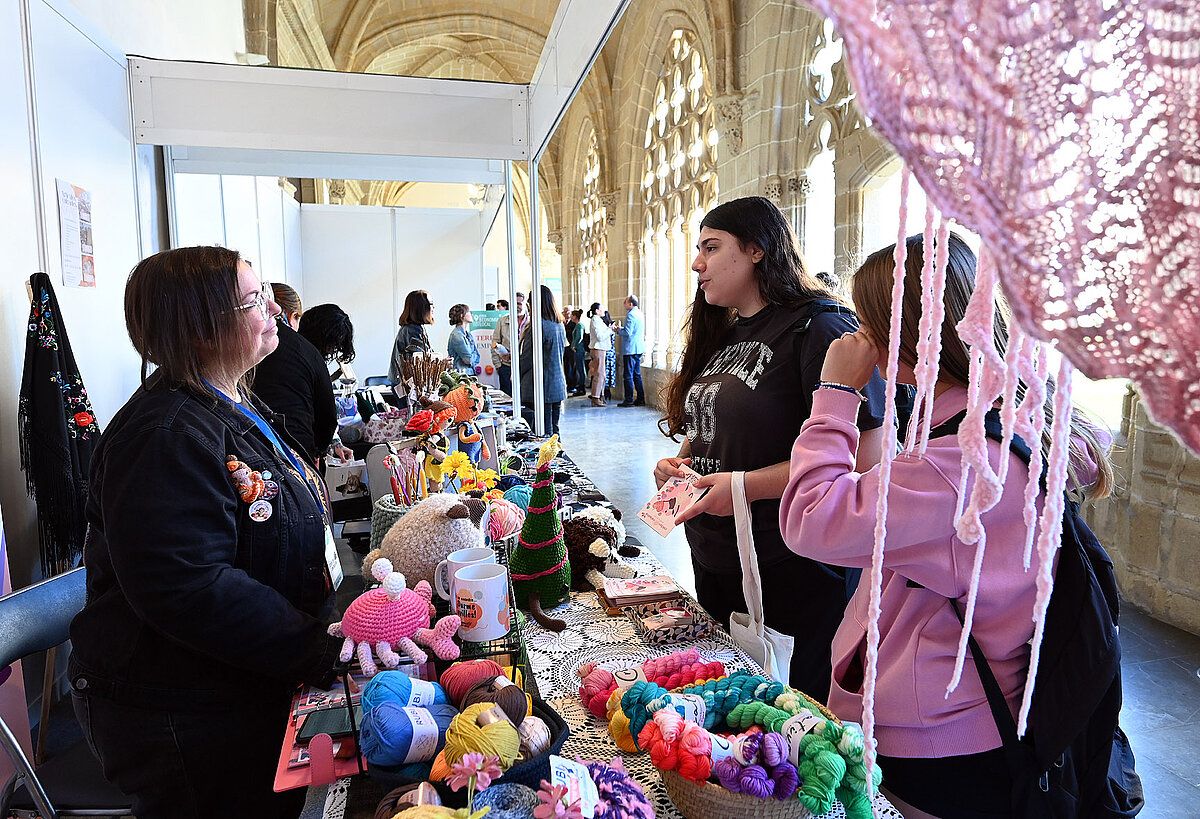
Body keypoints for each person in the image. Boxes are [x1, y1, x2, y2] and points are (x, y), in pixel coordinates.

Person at [778, 232, 1113, 818]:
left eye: (868, 322)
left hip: (942, 730)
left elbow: (811, 519)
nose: (859, 338)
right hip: (986, 696)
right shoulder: (1011, 404)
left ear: (900, 331)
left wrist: (834, 394)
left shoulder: (961, 461)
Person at [69, 246, 342, 818]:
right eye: (252, 300)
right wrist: (317, 648)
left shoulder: (231, 396)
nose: (271, 306)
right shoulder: (164, 435)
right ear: (200, 331)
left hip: (240, 677)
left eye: (264, 290)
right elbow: (189, 588)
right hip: (184, 712)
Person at [654, 196, 887, 698]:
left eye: (711, 248)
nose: (698, 263)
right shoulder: (726, 329)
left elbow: (861, 462)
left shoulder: (819, 327)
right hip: (718, 552)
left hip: (788, 563)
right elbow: (714, 422)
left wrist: (744, 486)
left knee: (790, 712)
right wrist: (682, 461)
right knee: (732, 705)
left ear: (757, 250)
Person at [252, 287, 340, 465]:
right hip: (296, 448)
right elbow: (327, 416)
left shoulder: (251, 349)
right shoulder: (305, 350)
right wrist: (319, 449)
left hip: (257, 446)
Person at [519, 285, 568, 436]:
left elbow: (527, 357)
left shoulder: (537, 326)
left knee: (543, 432)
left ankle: (550, 460)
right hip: (557, 383)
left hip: (540, 385)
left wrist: (515, 369)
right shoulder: (558, 324)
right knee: (554, 430)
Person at [388, 289, 434, 381]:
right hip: (405, 384)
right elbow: (422, 359)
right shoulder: (412, 330)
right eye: (431, 304)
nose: (433, 307)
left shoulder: (415, 328)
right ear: (421, 307)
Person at [493, 292, 528, 397]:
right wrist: (498, 366)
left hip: (526, 367)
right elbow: (494, 343)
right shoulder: (502, 321)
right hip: (506, 367)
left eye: (519, 304)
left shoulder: (531, 322)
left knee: (525, 399)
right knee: (507, 399)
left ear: (525, 304)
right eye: (514, 303)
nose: (517, 306)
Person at [615, 295, 646, 406]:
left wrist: (618, 330)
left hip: (631, 349)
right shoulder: (639, 313)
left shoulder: (630, 315)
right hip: (638, 348)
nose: (624, 304)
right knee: (636, 374)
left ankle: (628, 399)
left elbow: (628, 333)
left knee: (628, 375)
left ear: (631, 304)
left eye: (626, 302)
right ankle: (641, 398)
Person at [586, 301, 614, 407]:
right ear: (597, 311)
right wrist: (610, 329)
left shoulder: (598, 320)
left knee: (601, 374)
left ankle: (599, 396)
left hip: (601, 349)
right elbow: (600, 336)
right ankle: (596, 397)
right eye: (602, 309)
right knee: (599, 374)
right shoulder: (595, 320)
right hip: (598, 349)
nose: (604, 310)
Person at [447, 303, 480, 375]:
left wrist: (472, 356)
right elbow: (468, 360)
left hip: (469, 374)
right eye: (468, 312)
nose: (471, 314)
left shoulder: (468, 334)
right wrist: (473, 355)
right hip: (460, 376)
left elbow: (478, 357)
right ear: (462, 315)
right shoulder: (457, 335)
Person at [568, 309, 587, 396]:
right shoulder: (578, 325)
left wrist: (573, 345)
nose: (571, 317)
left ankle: (581, 387)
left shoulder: (579, 325)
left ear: (575, 316)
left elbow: (579, 337)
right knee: (579, 368)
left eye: (572, 315)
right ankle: (580, 386)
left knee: (580, 368)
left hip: (579, 349)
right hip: (578, 349)